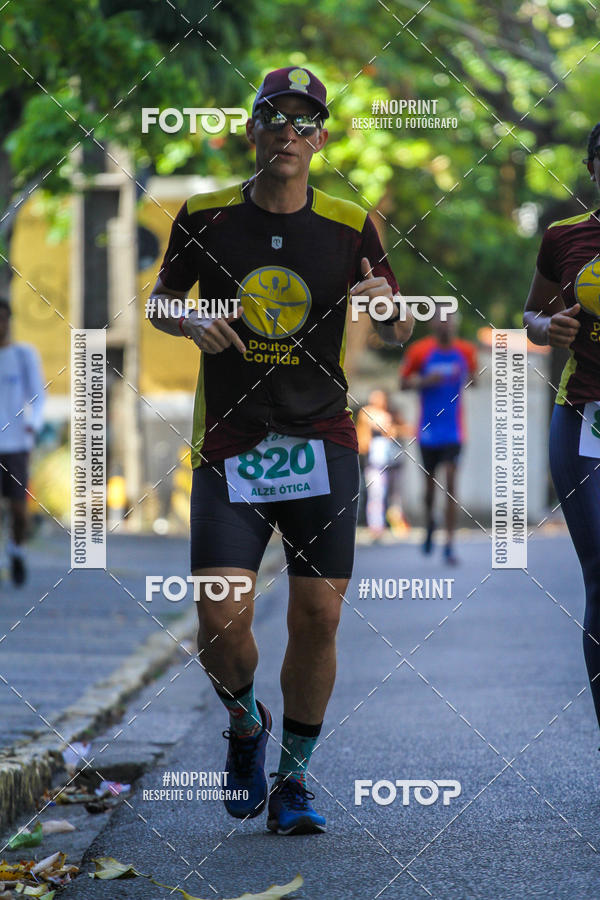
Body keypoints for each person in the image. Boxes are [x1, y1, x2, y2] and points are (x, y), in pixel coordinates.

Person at [148, 66, 414, 834]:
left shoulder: (349, 222)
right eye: (276, 119)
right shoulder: (204, 216)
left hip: (322, 441)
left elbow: (396, 321)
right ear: (252, 128)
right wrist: (186, 320)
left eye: (306, 124)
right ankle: (243, 728)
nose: (289, 135)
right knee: (220, 619)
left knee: (318, 617)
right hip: (232, 443)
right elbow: (162, 299)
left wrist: (390, 310)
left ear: (322, 138)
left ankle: (294, 782)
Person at [523, 121, 600, 742]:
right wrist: (549, 330)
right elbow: (533, 315)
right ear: (592, 169)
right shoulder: (565, 239)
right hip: (585, 419)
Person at [400, 310, 477, 564]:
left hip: (454, 431)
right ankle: (431, 524)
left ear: (455, 324)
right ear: (433, 324)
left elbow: (474, 381)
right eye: (440, 321)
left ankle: (449, 545)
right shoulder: (420, 351)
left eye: (449, 320)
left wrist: (470, 378)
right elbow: (403, 383)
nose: (445, 325)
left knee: (452, 486)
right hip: (427, 431)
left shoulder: (465, 351)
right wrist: (424, 381)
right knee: (429, 489)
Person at [0, 298, 45, 585]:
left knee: (19, 509)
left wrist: (32, 425)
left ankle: (17, 550)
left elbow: (38, 396)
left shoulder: (22, 355)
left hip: (15, 444)